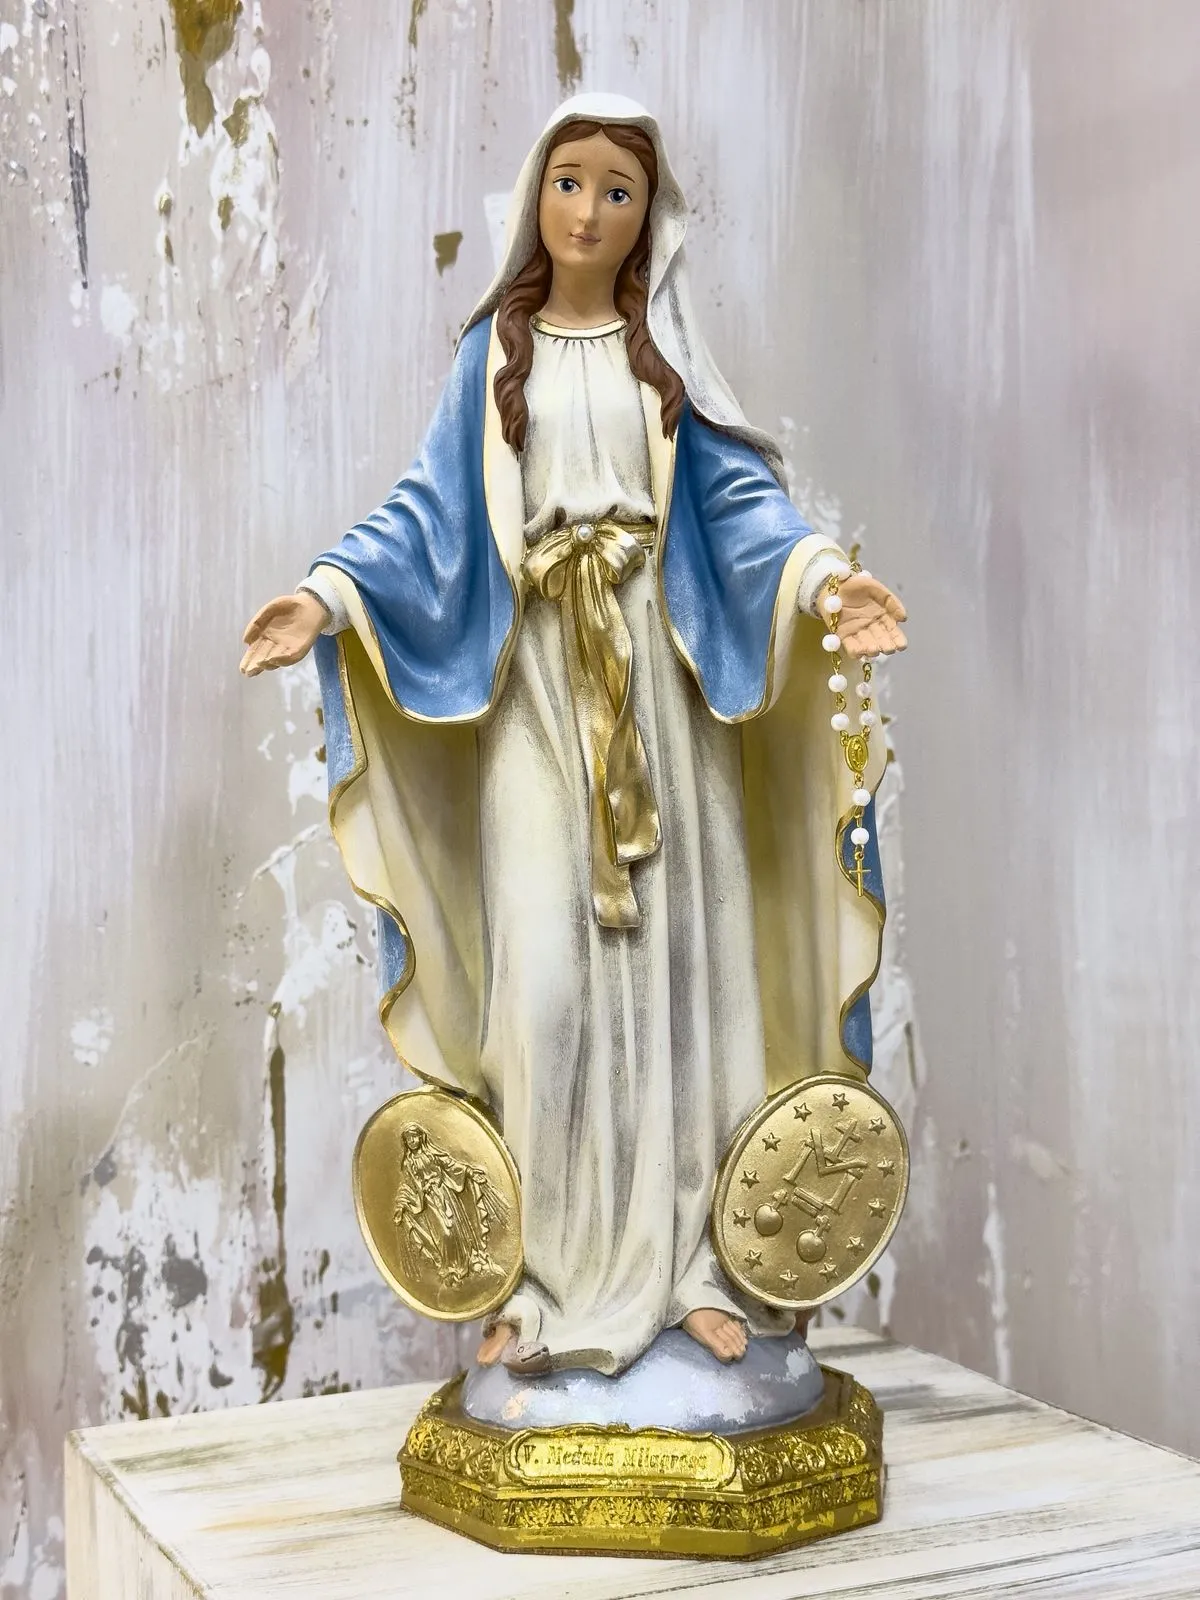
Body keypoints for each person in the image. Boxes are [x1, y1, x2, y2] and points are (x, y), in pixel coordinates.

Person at [240, 93, 906, 1379]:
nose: (589, 210)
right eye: (570, 181)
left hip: (660, 693)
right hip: (540, 691)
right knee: (542, 985)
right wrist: (327, 594)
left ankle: (700, 1270)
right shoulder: (493, 354)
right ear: (535, 193)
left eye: (618, 189)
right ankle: (544, 1280)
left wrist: (827, 581)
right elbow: (427, 514)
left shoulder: (668, 362)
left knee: (689, 984)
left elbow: (744, 510)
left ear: (649, 215)